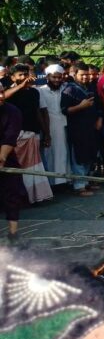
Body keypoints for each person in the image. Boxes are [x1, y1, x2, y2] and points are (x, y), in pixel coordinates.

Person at [5, 64, 52, 203]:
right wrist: (20, 86)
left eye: (25, 74)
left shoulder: (34, 92)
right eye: (20, 75)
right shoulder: (8, 92)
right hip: (14, 137)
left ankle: (34, 196)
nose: (24, 77)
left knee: (33, 167)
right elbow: (3, 97)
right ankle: (17, 197)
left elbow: (38, 113)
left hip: (32, 133)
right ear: (12, 77)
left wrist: (46, 133)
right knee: (15, 168)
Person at [61, 64, 101, 197]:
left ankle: (86, 181)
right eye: (82, 74)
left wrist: (98, 118)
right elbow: (65, 110)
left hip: (90, 128)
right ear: (75, 75)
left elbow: (97, 106)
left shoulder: (89, 87)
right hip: (77, 129)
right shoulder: (69, 90)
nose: (85, 77)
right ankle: (79, 186)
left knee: (89, 154)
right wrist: (81, 106)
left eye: (87, 74)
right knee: (78, 156)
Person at [0, 84, 27, 240]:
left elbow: (10, 137)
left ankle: (13, 234)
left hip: (6, 155)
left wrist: (1, 158)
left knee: (12, 192)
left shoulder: (12, 111)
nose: (1, 96)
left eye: (2, 92)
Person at [37, 64, 69, 187]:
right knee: (52, 154)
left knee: (64, 153)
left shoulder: (65, 89)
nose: (56, 80)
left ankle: (66, 180)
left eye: (59, 77)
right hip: (50, 126)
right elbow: (41, 112)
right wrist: (46, 132)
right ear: (47, 77)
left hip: (65, 124)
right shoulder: (41, 91)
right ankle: (54, 183)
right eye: (53, 77)